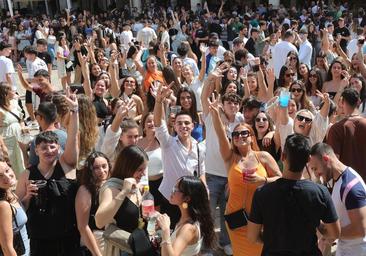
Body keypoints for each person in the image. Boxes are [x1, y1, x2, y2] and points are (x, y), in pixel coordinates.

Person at [208, 93, 282, 256]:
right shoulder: (230, 158)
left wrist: (263, 180)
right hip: (236, 218)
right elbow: (221, 136)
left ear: (251, 137)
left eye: (244, 133)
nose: (239, 136)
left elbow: (281, 179)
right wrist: (215, 114)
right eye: (235, 135)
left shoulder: (263, 156)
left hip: (259, 218)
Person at [247, 134, 341, 255]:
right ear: (308, 160)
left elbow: (252, 237)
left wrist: (273, 241)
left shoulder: (262, 193)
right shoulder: (320, 192)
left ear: (283, 156)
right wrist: (319, 226)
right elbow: (335, 233)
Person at [15, 90, 80, 255]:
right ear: (36, 150)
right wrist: (28, 196)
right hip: (40, 241)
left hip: (68, 239)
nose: (48, 151)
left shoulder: (66, 165)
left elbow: (73, 138)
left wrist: (75, 112)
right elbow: (18, 209)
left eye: (52, 147)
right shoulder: (27, 175)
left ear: (58, 149)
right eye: (43, 147)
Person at [153, 83, 206, 228]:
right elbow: (158, 124)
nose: (184, 126)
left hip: (190, 199)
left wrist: (205, 192)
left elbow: (201, 173)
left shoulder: (199, 147)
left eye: (187, 123)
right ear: (174, 126)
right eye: (180, 123)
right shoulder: (168, 143)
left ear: (193, 126)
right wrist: (158, 102)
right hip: (170, 199)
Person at [309, 143, 366, 255]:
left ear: (326, 159)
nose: (316, 174)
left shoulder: (350, 187)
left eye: (315, 168)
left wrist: (331, 232)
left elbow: (361, 230)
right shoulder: (339, 180)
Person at [95, 145, 148, 254]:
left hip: (137, 247)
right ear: (128, 167)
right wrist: (123, 192)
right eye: (139, 170)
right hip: (120, 250)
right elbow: (99, 222)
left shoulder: (134, 185)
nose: (143, 174)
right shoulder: (111, 188)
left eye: (144, 169)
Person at [156, 176, 215, 256]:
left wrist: (165, 230)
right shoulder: (187, 218)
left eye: (176, 190)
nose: (172, 191)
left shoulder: (188, 229)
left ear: (187, 198)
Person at [76, 152, 111, 256]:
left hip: (114, 238)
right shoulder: (85, 190)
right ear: (90, 170)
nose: (102, 171)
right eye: (96, 168)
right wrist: (97, 254)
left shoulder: (112, 185)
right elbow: (83, 226)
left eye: (104, 166)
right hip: (97, 240)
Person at [327, 88, 366, 181]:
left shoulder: (336, 129)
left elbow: (333, 162)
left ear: (341, 102)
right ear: (359, 101)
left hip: (345, 185)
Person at [0, 158, 30, 256]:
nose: (7, 176)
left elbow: (17, 214)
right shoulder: (3, 205)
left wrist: (28, 196)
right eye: (0, 176)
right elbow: (7, 248)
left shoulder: (10, 193)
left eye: (7, 170)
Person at [137, 112, 164, 210]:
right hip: (144, 185)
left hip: (161, 184)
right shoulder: (137, 142)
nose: (152, 123)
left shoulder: (162, 141)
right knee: (147, 216)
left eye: (154, 121)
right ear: (143, 126)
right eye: (148, 121)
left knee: (159, 215)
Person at [28, 101, 67, 166]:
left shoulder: (36, 141)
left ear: (40, 118)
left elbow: (31, 169)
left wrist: (23, 149)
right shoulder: (65, 135)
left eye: (36, 114)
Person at [0, 83, 25, 176]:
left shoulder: (14, 103)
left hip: (20, 138)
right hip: (8, 140)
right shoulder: (0, 111)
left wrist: (23, 127)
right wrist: (3, 146)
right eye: (12, 89)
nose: (14, 91)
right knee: (12, 163)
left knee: (22, 160)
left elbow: (21, 119)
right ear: (5, 93)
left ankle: (23, 182)